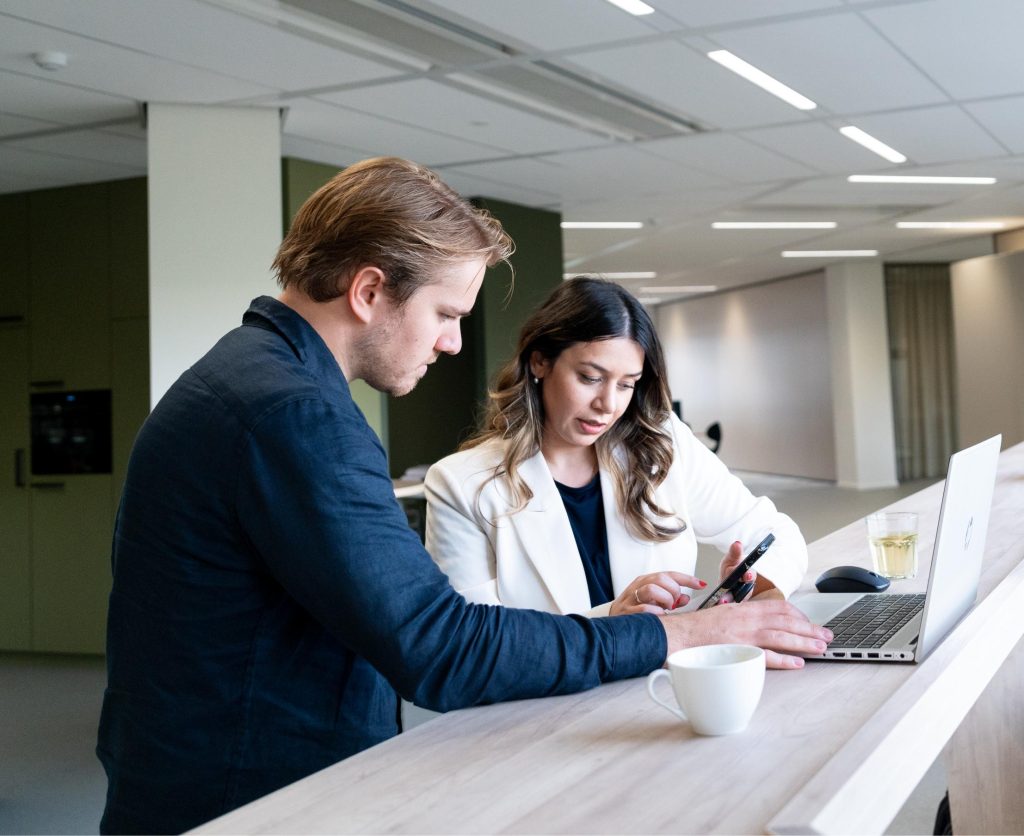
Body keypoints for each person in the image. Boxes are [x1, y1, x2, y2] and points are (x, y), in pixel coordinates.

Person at [96, 158, 832, 835]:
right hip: (251, 793)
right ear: (369, 291)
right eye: (447, 315)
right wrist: (685, 635)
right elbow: (439, 648)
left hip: (205, 771)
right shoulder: (296, 414)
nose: (452, 343)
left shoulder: (246, 376)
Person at [425, 276, 808, 619]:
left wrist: (757, 585)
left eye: (627, 384)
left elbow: (775, 533)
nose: (608, 404)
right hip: (551, 698)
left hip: (666, 683)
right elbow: (476, 639)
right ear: (540, 361)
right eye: (591, 377)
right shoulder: (461, 484)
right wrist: (611, 618)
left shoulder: (662, 442)